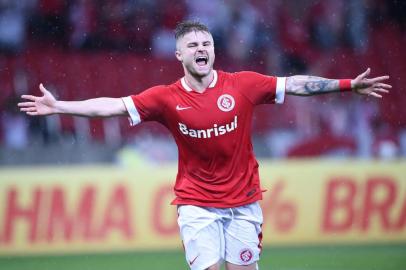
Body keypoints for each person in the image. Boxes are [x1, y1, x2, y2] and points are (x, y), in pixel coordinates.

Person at [18, 21, 391, 270]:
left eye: (206, 43)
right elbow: (112, 107)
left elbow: (294, 83)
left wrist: (347, 85)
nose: (201, 48)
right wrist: (59, 106)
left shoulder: (242, 84)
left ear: (213, 51)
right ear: (179, 55)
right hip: (197, 205)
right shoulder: (164, 98)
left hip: (244, 202)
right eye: (192, 44)